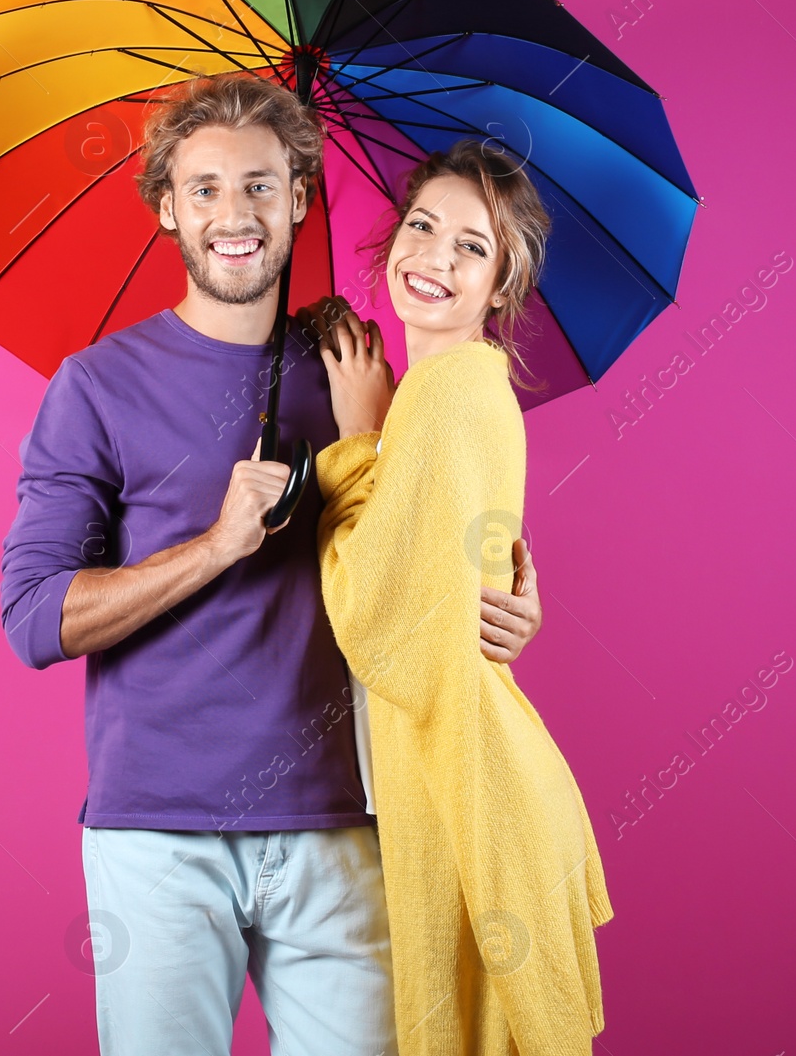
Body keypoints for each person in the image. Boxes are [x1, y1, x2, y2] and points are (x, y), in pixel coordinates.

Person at [0, 74, 545, 1056]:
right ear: (166, 209)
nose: (233, 214)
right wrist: (213, 549)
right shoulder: (94, 387)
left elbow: (425, 540)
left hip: (343, 824)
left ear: (299, 197)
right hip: (157, 835)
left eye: (260, 185)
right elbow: (37, 619)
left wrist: (507, 589)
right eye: (204, 189)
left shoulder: (356, 369)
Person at [309, 139, 614, 1056]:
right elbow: (471, 586)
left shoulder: (442, 399)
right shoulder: (451, 393)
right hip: (476, 780)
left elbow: (376, 620)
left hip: (469, 791)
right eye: (422, 225)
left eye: (471, 247)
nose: (434, 256)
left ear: (501, 289)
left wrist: (353, 442)